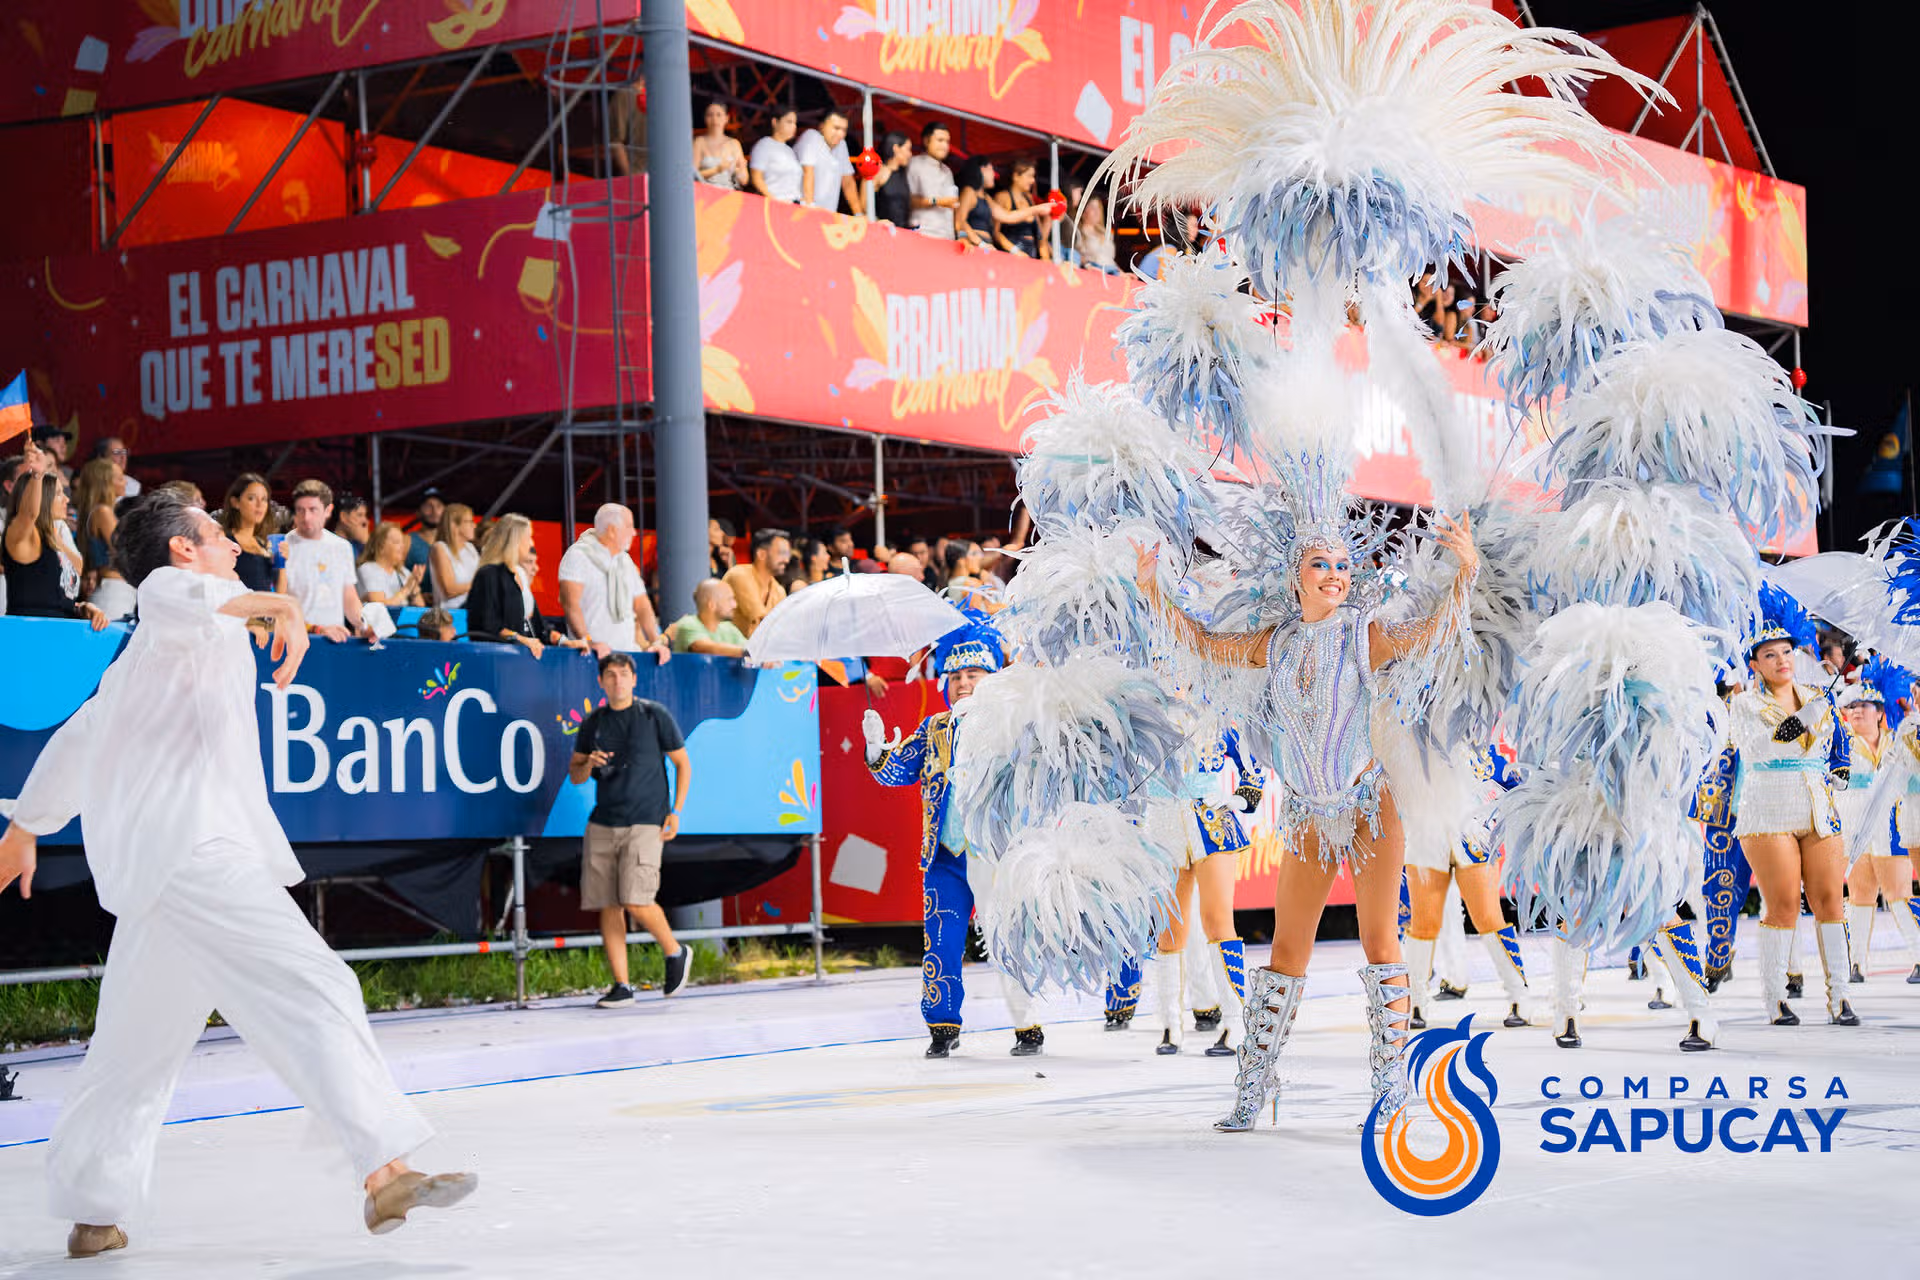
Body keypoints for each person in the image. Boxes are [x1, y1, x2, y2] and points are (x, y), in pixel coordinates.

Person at [0, 490, 475, 1256]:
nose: (230, 543)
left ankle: (94, 1212)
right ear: (184, 550)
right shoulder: (166, 602)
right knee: (314, 984)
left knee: (130, 1052)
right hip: (195, 855)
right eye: (216, 534)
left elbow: (84, 736)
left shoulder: (152, 657)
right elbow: (181, 593)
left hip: (165, 874)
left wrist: (25, 826)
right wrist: (283, 606)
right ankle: (383, 1168)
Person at [1134, 509, 1478, 1132]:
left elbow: (1435, 633)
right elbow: (1203, 645)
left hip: (1371, 804)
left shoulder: (1362, 635)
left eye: (1344, 566)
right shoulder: (1278, 642)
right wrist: (1152, 590)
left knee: (1381, 942)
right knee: (1288, 950)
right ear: (1293, 577)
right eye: (1321, 565)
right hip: (1307, 812)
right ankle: (1254, 1089)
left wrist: (1466, 573)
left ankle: (1392, 1089)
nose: (1336, 576)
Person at [864, 618, 1044, 1057]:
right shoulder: (933, 728)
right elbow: (896, 772)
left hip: (994, 851)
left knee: (1005, 939)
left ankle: (1028, 1026)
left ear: (992, 679)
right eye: (957, 677)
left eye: (974, 676)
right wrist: (874, 750)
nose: (964, 684)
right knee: (940, 943)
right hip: (943, 855)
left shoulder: (1011, 724)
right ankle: (942, 1028)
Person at [1721, 589, 1857, 1028]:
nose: (1782, 660)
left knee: (1830, 902)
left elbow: (1839, 745)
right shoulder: (1743, 704)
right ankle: (1776, 998)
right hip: (1767, 810)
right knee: (1781, 905)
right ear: (1755, 664)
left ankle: (1840, 996)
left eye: (1787, 651)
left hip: (1818, 806)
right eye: (1770, 654)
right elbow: (1759, 747)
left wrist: (1839, 769)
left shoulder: (1818, 695)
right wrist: (1806, 716)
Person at [567, 652, 693, 1007]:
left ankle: (675, 951)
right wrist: (587, 762)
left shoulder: (654, 715)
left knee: (636, 899)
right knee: (608, 904)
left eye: (624, 674)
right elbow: (575, 774)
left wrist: (676, 811)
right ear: (601, 682)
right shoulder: (593, 723)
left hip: (646, 819)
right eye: (611, 675)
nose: (618, 681)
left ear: (634, 680)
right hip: (603, 821)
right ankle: (621, 985)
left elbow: (682, 762)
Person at [1400, 746, 1534, 1031]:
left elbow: (1511, 781)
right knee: (1423, 924)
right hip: (1425, 833)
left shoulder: (1474, 737)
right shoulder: (1408, 730)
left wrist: (1499, 821)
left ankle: (1519, 997)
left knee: (1488, 917)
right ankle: (1415, 1003)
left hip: (1472, 834)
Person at [1838, 674, 1920, 982]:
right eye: (1852, 706)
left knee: (1899, 891)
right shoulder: (1841, 740)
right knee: (1860, 894)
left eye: (1865, 705)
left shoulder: (1900, 737)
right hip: (1853, 822)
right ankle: (1856, 963)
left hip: (1891, 821)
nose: (1858, 711)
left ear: (1880, 711)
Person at [1, 436, 108, 628]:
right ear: (43, 498)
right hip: (30, 637)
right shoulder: (23, 536)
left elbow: (62, 591)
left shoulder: (58, 533)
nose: (66, 499)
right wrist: (37, 475)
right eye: (58, 494)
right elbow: (29, 513)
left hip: (62, 634)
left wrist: (83, 608)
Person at [558, 503, 672, 662]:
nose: (634, 533)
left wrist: (656, 642)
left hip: (627, 656)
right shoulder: (578, 556)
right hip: (592, 657)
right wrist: (587, 640)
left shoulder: (625, 561)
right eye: (629, 527)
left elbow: (642, 605)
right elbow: (570, 603)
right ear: (612, 530)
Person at [467, 514, 587, 659]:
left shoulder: (520, 575)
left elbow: (539, 626)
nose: (531, 543)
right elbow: (487, 626)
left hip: (524, 659)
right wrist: (521, 639)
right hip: (496, 661)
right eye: (528, 537)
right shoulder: (488, 574)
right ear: (515, 541)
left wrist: (565, 641)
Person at [277, 479, 369, 643]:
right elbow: (278, 604)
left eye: (313, 510)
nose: (306, 517)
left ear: (328, 510)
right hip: (296, 640)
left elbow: (349, 597)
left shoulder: (341, 547)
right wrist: (316, 629)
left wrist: (365, 625)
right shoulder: (282, 546)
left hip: (335, 638)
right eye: (300, 510)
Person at [73, 457, 134, 621]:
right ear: (106, 483)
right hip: (113, 592)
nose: (125, 483)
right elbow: (123, 550)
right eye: (120, 478)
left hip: (113, 589)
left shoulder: (97, 511)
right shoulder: (103, 512)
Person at [953, 158, 1046, 252]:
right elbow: (960, 220)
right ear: (982, 169)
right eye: (991, 169)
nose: (994, 174)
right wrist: (980, 243)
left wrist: (1037, 209)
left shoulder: (986, 197)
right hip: (974, 245)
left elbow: (1007, 216)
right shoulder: (969, 191)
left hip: (985, 245)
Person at [721, 527, 791, 638]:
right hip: (726, 651)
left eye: (787, 554)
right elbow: (761, 620)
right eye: (781, 553)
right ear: (761, 554)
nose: (786, 560)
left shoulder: (779, 590)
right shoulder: (739, 575)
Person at [219, 472, 278, 592]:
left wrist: (282, 563)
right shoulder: (225, 542)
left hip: (267, 608)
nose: (259, 505)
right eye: (251, 498)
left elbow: (278, 594)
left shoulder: (265, 544)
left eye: (264, 499)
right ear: (235, 502)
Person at [794, 110, 858, 214]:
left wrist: (858, 214)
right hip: (803, 211)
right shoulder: (811, 136)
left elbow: (848, 182)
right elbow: (808, 172)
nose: (841, 134)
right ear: (822, 126)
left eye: (844, 130)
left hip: (826, 215)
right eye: (836, 128)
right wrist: (810, 206)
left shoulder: (841, 145)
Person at [668, 580, 750, 657]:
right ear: (712, 605)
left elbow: (750, 648)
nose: (735, 605)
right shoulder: (688, 623)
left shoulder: (728, 628)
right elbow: (705, 648)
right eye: (729, 599)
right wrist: (747, 653)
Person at [357, 522, 427, 609]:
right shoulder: (368, 569)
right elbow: (380, 607)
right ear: (381, 546)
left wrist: (414, 588)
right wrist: (406, 590)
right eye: (397, 542)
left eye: (403, 543)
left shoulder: (403, 572)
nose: (403, 546)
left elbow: (421, 608)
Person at [907, 121, 959, 239]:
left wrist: (961, 234)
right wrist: (937, 201)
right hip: (923, 234)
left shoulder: (947, 171)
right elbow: (908, 200)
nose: (945, 146)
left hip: (947, 237)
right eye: (940, 140)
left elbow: (953, 204)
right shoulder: (914, 164)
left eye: (947, 141)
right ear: (926, 141)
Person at [993, 159, 1053, 259]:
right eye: (1029, 176)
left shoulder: (1029, 199)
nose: (1033, 181)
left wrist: (1049, 219)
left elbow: (1040, 236)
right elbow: (995, 232)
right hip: (1012, 254)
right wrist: (1015, 251)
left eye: (1033, 176)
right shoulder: (1003, 197)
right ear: (1016, 176)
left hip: (1031, 254)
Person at [428, 502, 479, 609]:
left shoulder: (470, 548)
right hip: (450, 614)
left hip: (473, 610)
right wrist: (480, 583)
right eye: (470, 521)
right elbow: (449, 589)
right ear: (454, 525)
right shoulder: (440, 548)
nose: (474, 525)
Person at [748, 108, 802, 204]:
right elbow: (756, 177)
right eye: (789, 122)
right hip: (773, 203)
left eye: (795, 123)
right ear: (775, 122)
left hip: (793, 205)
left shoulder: (790, 151)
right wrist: (772, 200)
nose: (793, 126)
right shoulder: (764, 145)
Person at [693, 99, 748, 189]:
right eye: (710, 115)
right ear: (705, 118)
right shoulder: (699, 142)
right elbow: (692, 174)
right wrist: (717, 170)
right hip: (705, 194)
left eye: (719, 115)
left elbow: (744, 180)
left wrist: (740, 170)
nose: (714, 119)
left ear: (726, 118)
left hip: (728, 196)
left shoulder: (734, 144)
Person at [872, 131, 913, 228]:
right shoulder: (878, 173)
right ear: (896, 149)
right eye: (908, 149)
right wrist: (877, 221)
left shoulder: (905, 174)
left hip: (903, 233)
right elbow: (864, 208)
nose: (910, 154)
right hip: (883, 233)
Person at [1072, 191, 1119, 273]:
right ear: (1083, 211)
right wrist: (1087, 265)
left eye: (1099, 208)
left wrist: (1122, 273)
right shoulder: (1078, 232)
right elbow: (1075, 255)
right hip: (1092, 273)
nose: (1097, 212)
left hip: (1111, 273)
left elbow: (1109, 260)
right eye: (1092, 208)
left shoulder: (1106, 233)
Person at [404, 490, 445, 576]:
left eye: (439, 506)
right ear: (418, 513)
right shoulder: (407, 540)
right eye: (428, 506)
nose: (435, 511)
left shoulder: (451, 540)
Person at [331, 493, 371, 559]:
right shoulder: (330, 544)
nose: (365, 521)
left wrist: (366, 542)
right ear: (343, 517)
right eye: (359, 515)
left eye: (365, 515)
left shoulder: (359, 545)